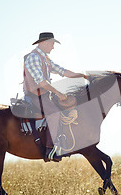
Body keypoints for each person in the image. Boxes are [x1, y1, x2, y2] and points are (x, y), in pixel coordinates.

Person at [23, 32, 87, 162]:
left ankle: (60, 141)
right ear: (45, 43)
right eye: (52, 44)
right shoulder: (34, 57)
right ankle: (49, 149)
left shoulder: (45, 58)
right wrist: (57, 93)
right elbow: (40, 82)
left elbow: (62, 71)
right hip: (36, 96)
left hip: (44, 95)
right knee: (54, 113)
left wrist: (80, 75)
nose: (53, 47)